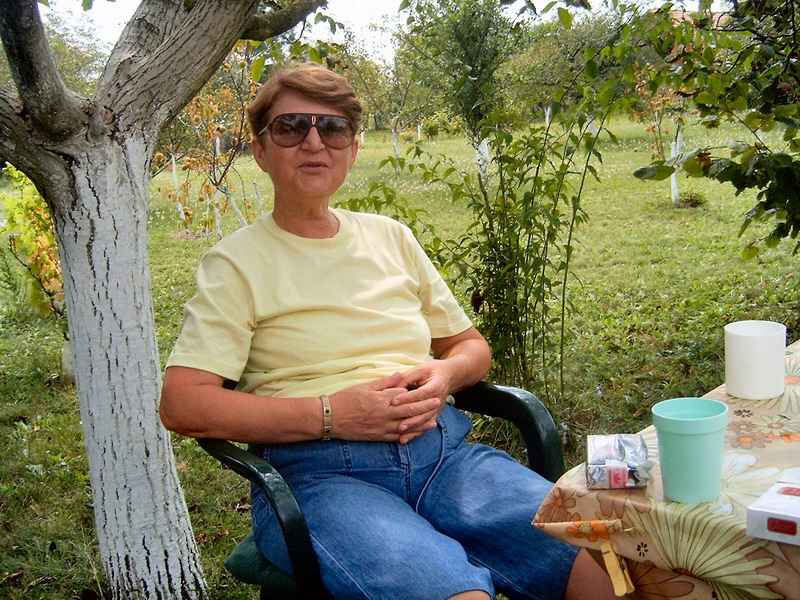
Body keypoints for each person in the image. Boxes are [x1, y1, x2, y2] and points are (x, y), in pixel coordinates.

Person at [160, 62, 613, 600]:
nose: (313, 142)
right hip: (322, 479)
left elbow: (469, 347)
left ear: (352, 149)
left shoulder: (391, 238)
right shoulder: (235, 263)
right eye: (290, 127)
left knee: (610, 562)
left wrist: (445, 376)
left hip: (446, 458)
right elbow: (183, 403)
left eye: (332, 129)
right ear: (260, 150)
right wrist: (331, 414)